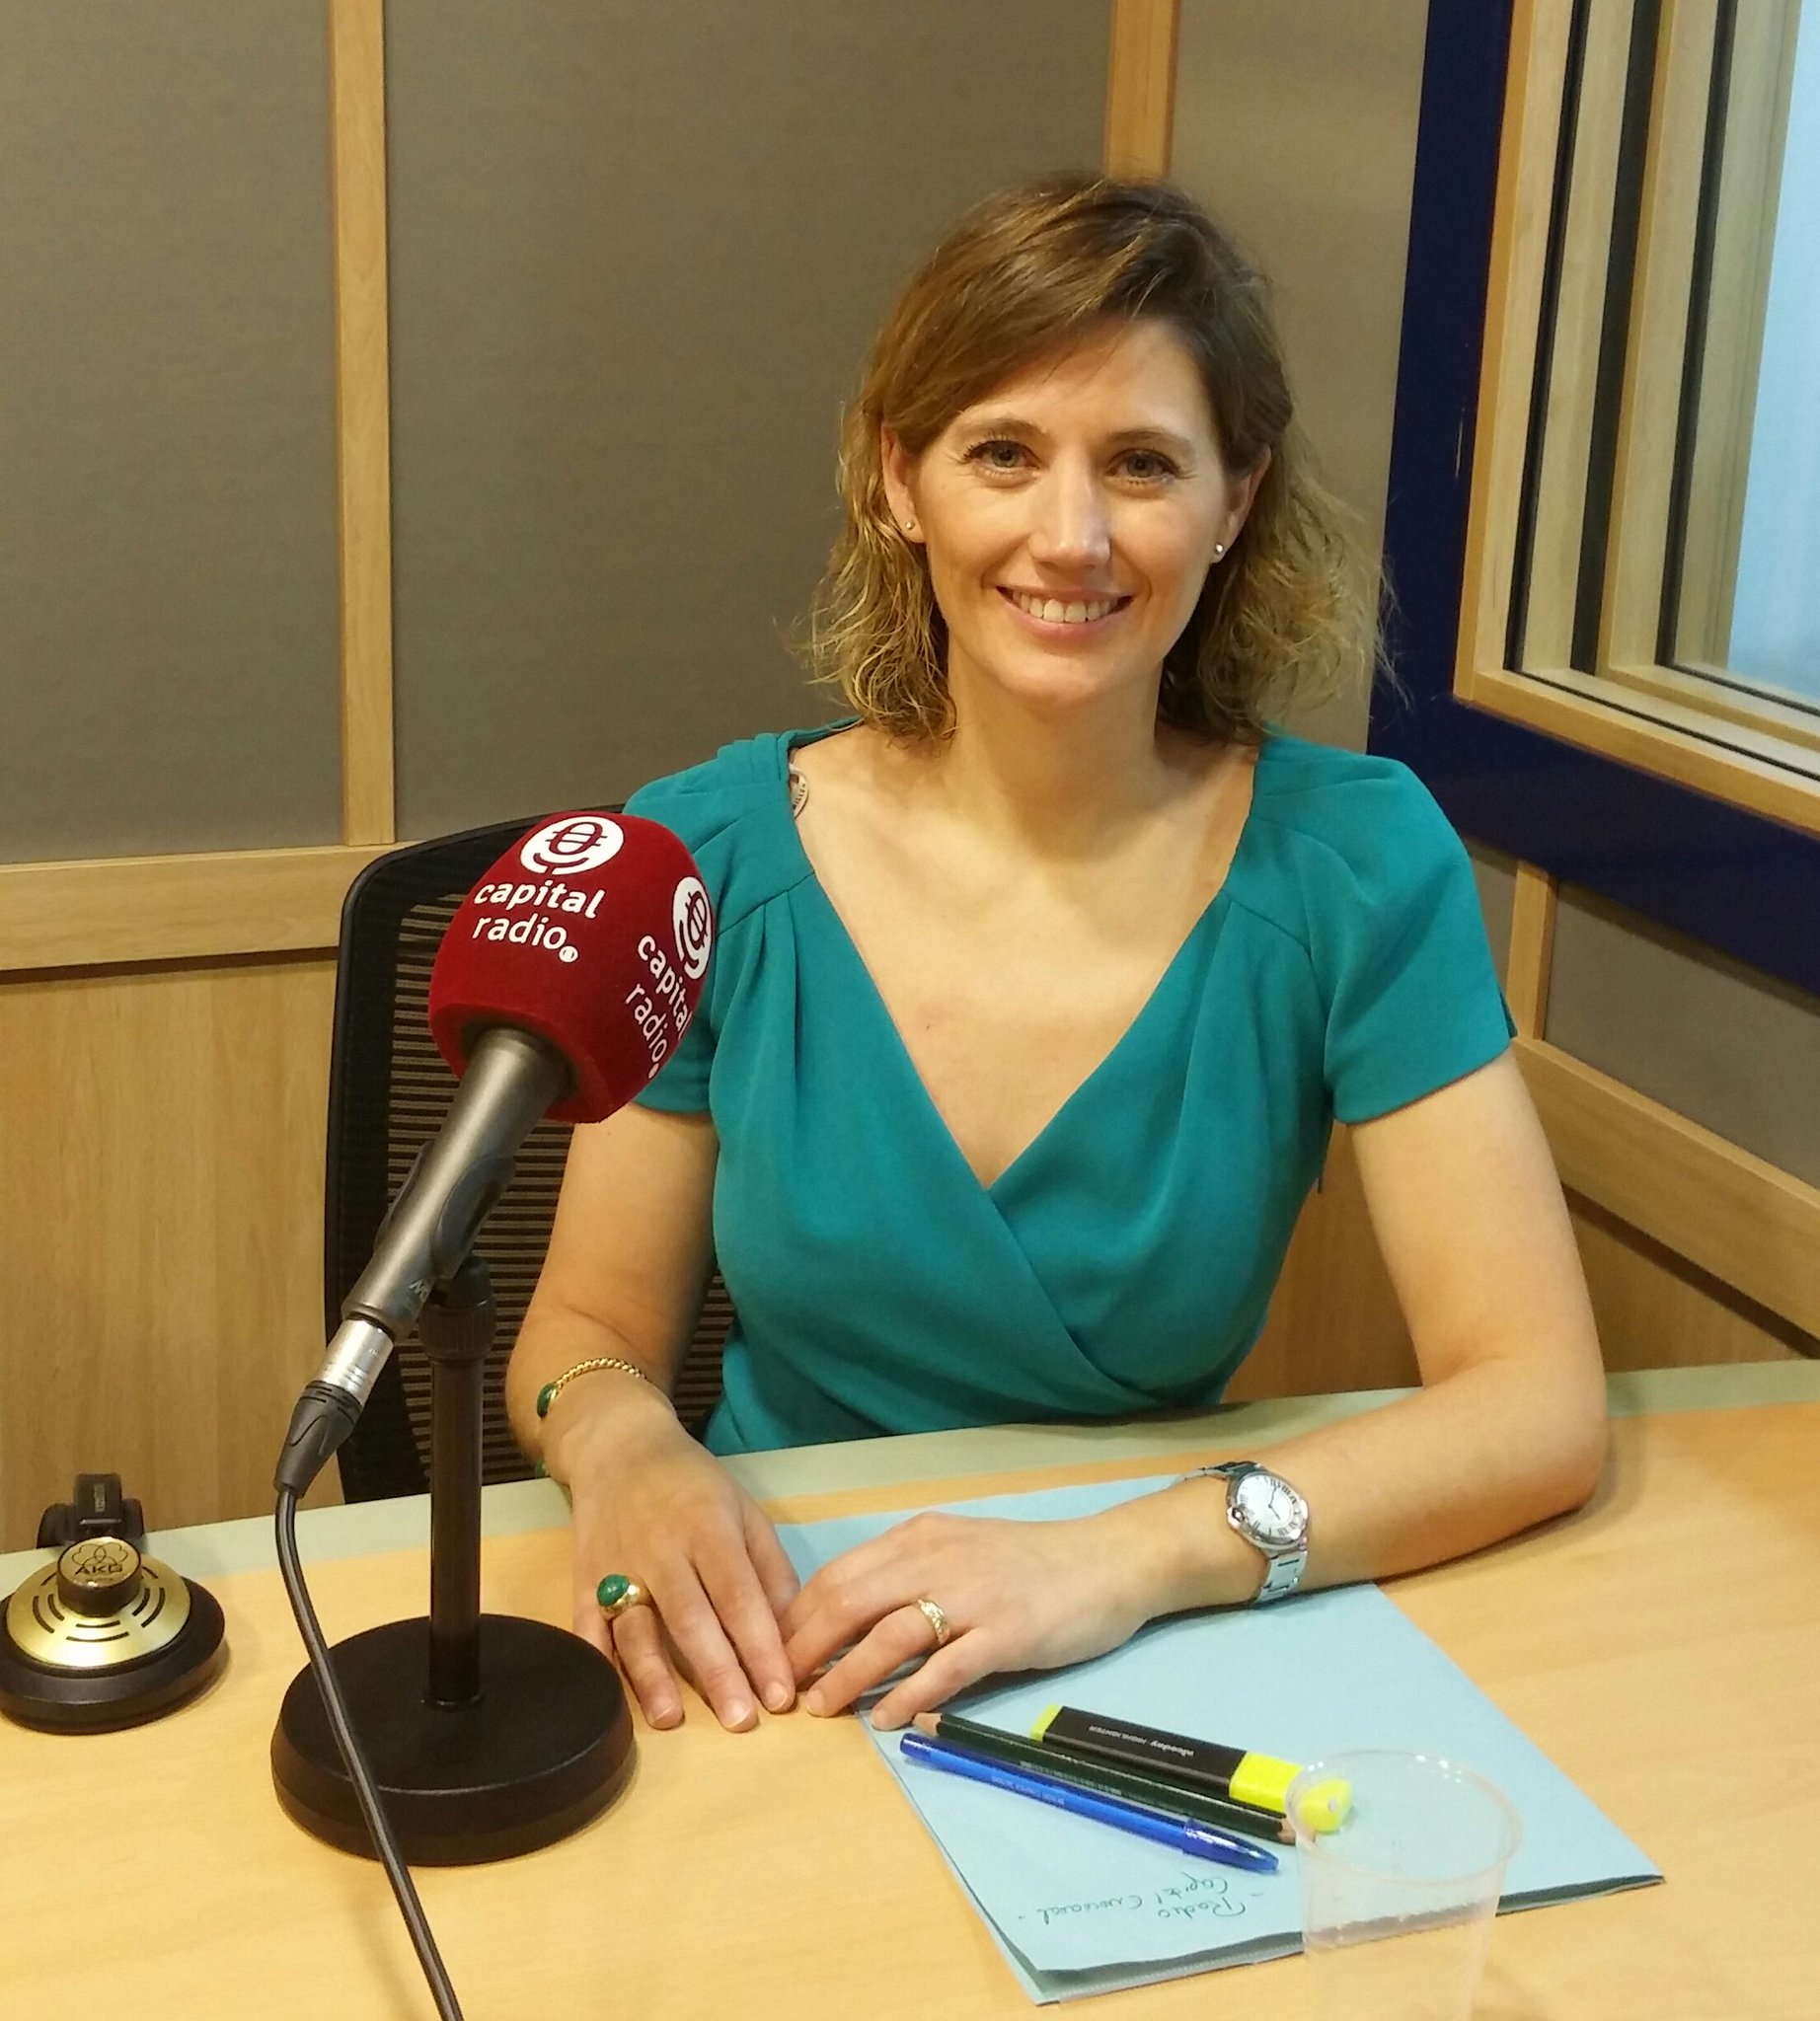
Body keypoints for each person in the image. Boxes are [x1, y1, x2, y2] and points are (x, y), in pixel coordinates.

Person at [505, 175, 1606, 1741]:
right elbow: (584, 1331)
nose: (1070, 536)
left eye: (1143, 464)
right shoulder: (709, 856)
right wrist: (623, 1449)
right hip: (771, 1637)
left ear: (1236, 500)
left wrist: (1120, 1563)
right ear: (901, 480)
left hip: (1143, 1630)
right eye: (1004, 454)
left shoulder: (1356, 865)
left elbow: (1539, 1402)